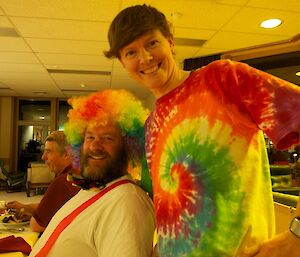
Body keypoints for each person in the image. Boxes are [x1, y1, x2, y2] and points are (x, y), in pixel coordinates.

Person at [104, 4, 300, 257]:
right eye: (131, 52)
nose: (145, 58)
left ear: (170, 42)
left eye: (152, 43)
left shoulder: (222, 80)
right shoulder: (151, 124)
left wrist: (296, 234)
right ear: (122, 62)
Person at [29, 89, 155, 257]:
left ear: (128, 146)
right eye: (90, 138)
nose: (95, 147)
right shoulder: (96, 188)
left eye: (107, 138)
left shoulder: (126, 202)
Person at [6, 131, 80, 232]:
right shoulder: (79, 175)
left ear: (66, 154)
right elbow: (52, 207)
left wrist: (34, 217)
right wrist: (24, 207)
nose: (43, 157)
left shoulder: (63, 181)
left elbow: (36, 226)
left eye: (48, 152)